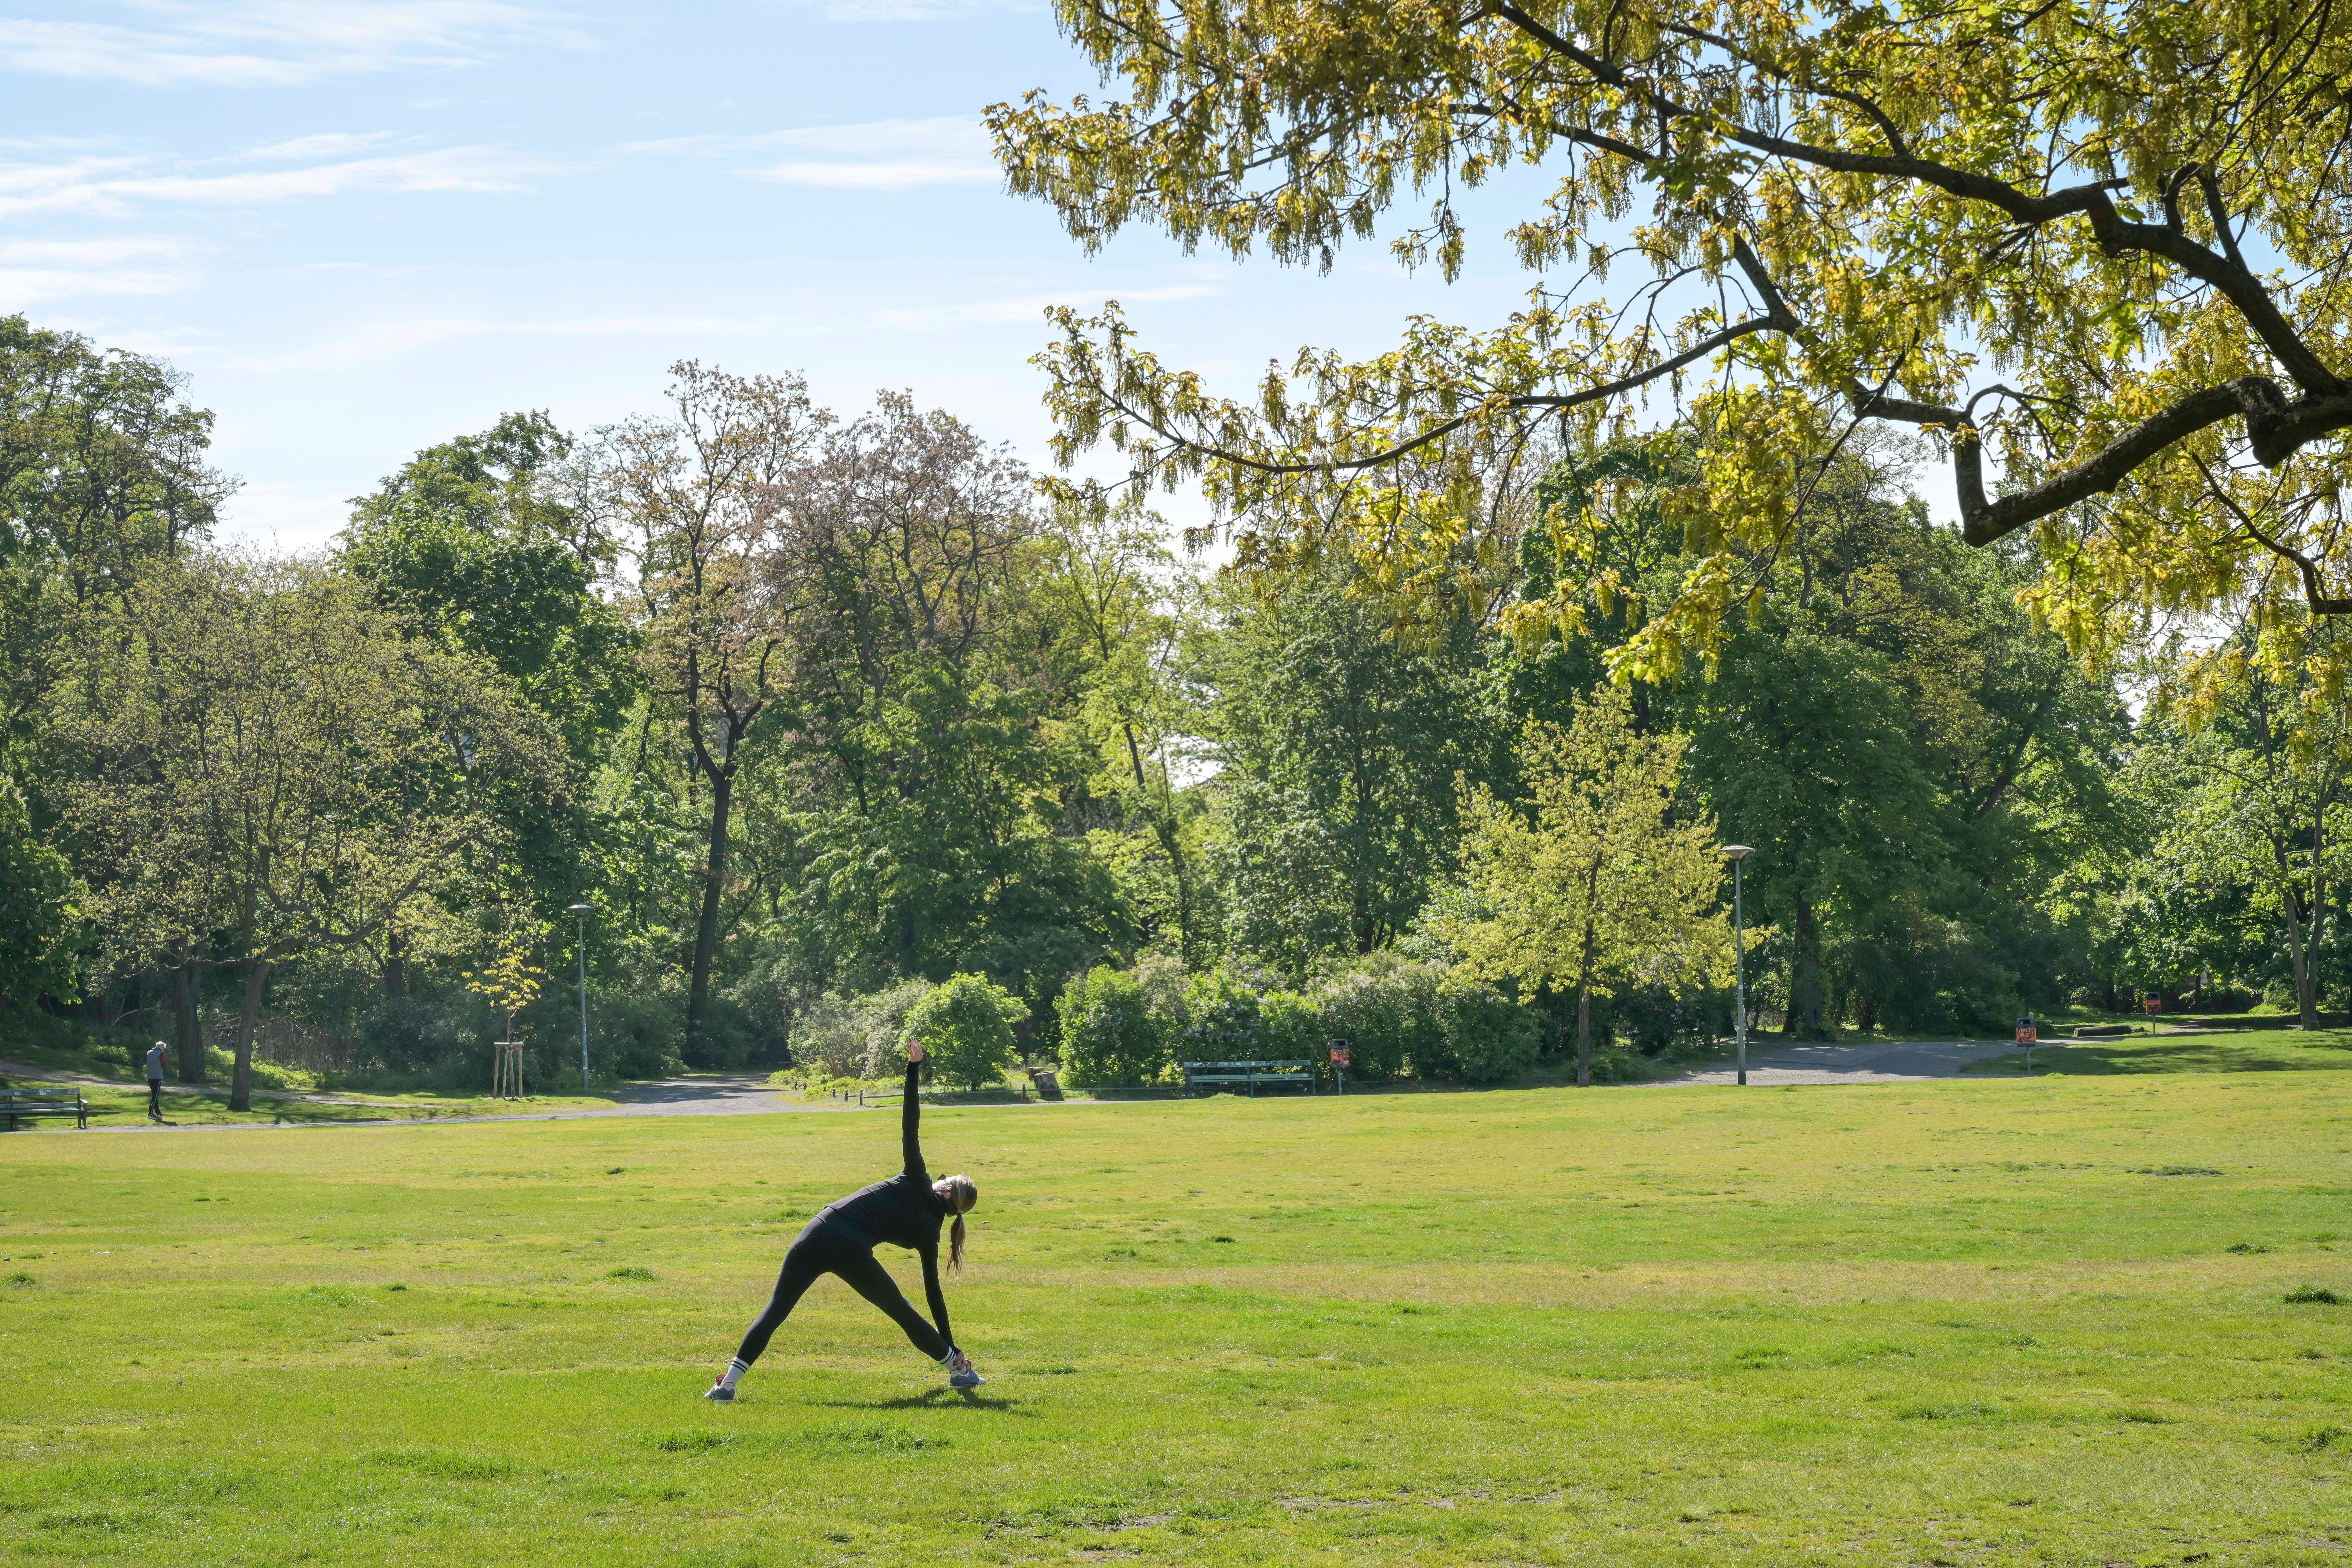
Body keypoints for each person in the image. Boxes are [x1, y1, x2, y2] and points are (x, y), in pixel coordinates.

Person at [707, 1038, 982, 1401]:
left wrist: (913, 1068)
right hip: (850, 1247)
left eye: (945, 1179)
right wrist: (950, 1341)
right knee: (902, 1311)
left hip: (820, 1226)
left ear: (946, 1191)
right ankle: (958, 1368)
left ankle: (727, 1384)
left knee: (776, 1309)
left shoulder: (918, 1178)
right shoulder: (931, 1234)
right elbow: (934, 1297)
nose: (940, 1177)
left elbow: (910, 1124)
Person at [144, 1040, 168, 1122]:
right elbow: (165, 1065)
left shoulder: (149, 1053)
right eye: (163, 1048)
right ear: (161, 1048)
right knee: (155, 1095)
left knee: (155, 1094)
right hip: (158, 1077)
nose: (164, 1050)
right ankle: (150, 1113)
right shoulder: (161, 1054)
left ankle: (158, 1113)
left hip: (150, 1077)